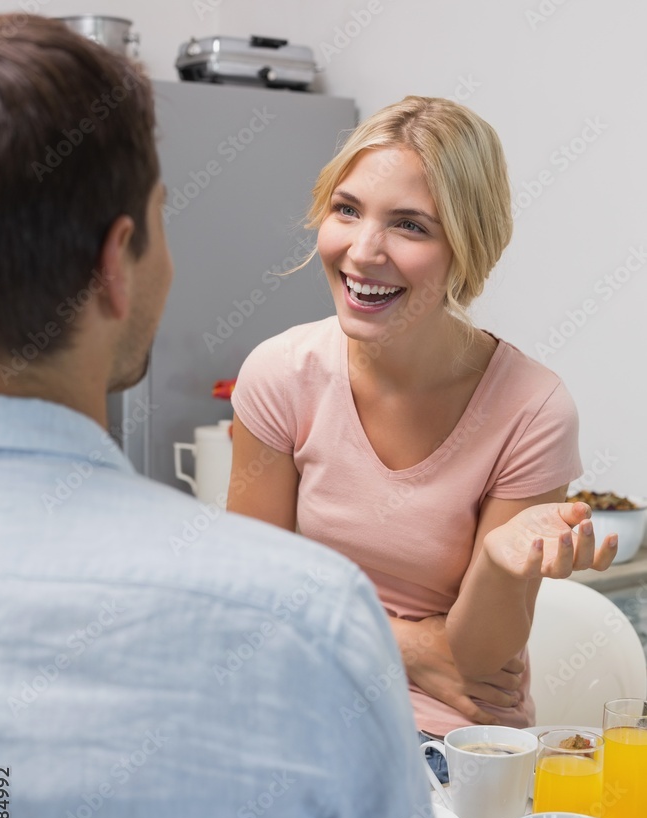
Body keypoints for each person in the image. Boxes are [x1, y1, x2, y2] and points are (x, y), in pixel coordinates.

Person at [0, 16, 492, 818]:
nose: (365, 249)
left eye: (411, 223)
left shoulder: (512, 400)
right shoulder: (300, 608)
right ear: (116, 263)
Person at [228, 95, 616, 776]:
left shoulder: (531, 408)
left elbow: (474, 663)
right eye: (345, 210)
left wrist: (498, 562)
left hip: (444, 741)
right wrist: (406, 646)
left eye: (409, 226)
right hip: (295, 707)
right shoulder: (280, 374)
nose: (362, 251)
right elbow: (251, 598)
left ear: (468, 245)